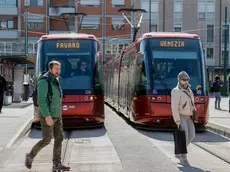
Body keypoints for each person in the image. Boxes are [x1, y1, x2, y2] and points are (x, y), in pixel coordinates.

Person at [25, 61, 70, 171]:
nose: (58, 71)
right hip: (47, 116)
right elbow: (41, 101)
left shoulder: (56, 80)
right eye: (55, 69)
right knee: (46, 139)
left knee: (59, 138)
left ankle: (56, 164)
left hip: (57, 115)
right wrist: (47, 116)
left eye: (59, 69)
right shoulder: (44, 81)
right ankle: (30, 156)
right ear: (50, 69)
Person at [171, 71, 196, 166]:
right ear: (179, 80)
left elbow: (191, 102)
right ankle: (183, 157)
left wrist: (194, 110)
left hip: (189, 116)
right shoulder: (176, 91)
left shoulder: (189, 89)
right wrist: (177, 120)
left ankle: (179, 152)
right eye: (183, 79)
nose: (185, 81)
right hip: (181, 116)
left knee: (192, 135)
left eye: (186, 79)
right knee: (184, 137)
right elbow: (174, 107)